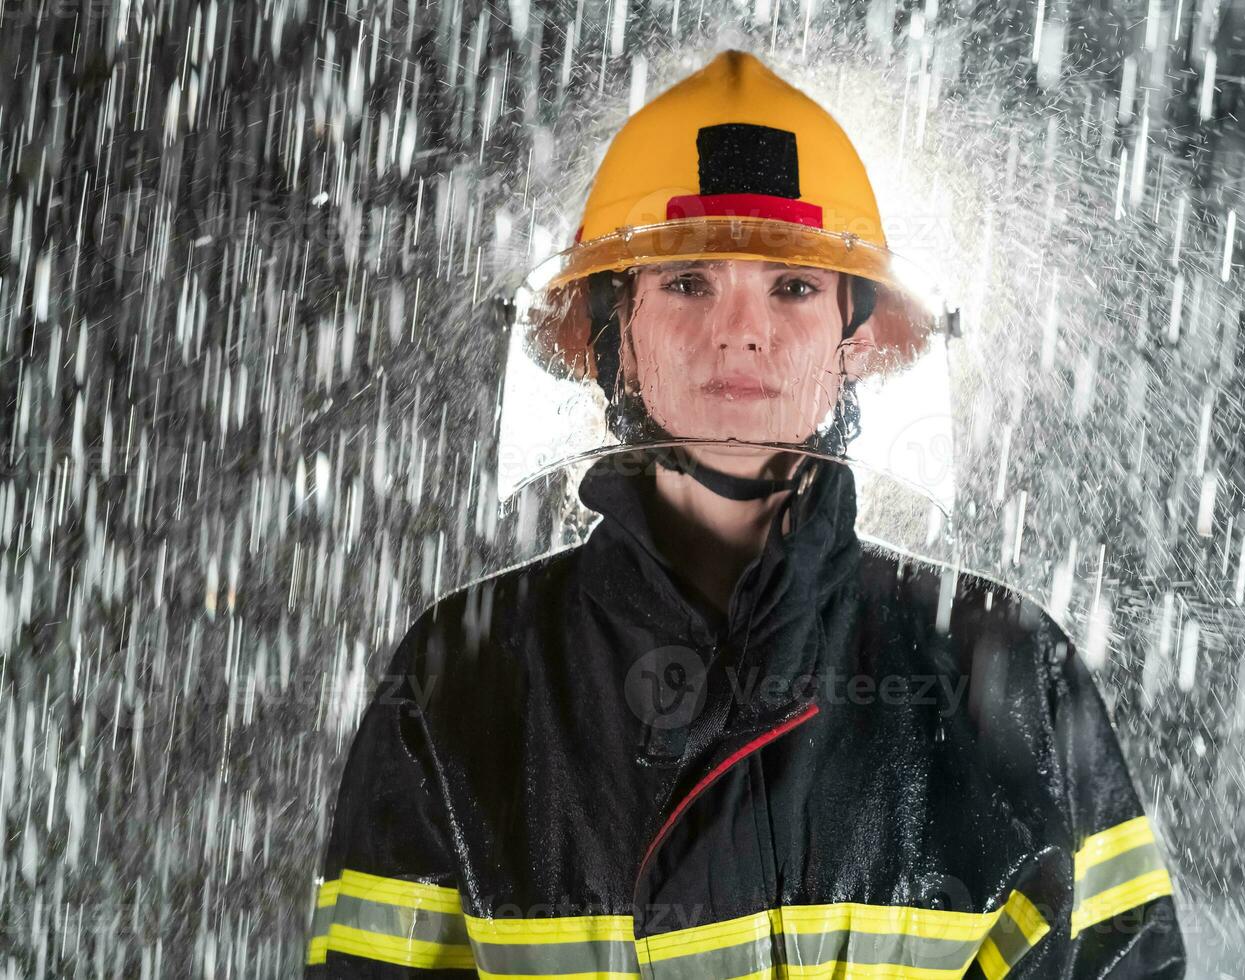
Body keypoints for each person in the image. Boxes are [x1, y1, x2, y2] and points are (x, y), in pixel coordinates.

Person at [305, 49, 1188, 978]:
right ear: (620, 338)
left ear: (852, 340)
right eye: (688, 283)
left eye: (793, 286)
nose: (741, 329)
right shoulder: (463, 677)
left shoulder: (1001, 665)